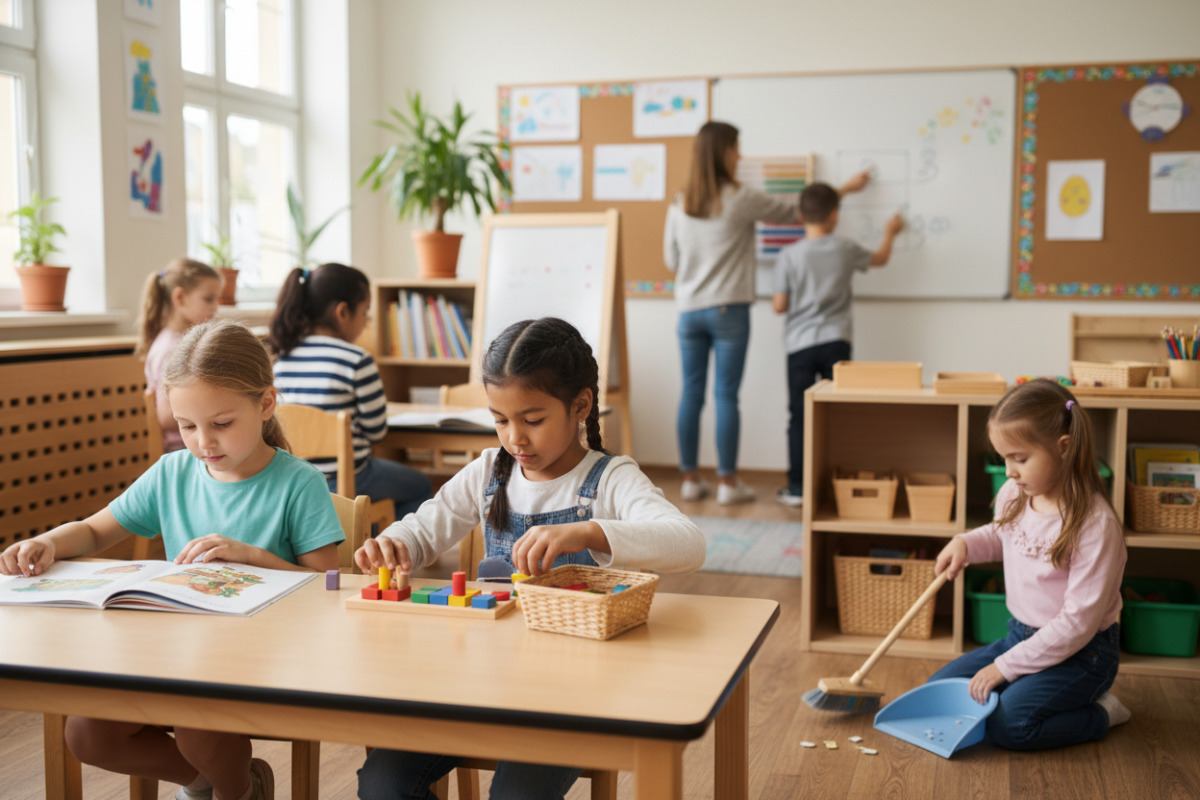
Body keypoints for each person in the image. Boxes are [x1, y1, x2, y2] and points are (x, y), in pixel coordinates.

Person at [354, 317, 706, 800]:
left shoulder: (610, 479)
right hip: (480, 684)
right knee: (381, 782)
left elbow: (688, 543)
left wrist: (589, 530)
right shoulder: (488, 471)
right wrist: (396, 543)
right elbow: (424, 526)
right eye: (500, 420)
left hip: (572, 699)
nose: (515, 438)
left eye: (533, 420)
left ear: (580, 405)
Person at [1, 319, 345, 800]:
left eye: (221, 424)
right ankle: (207, 780)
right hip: (170, 654)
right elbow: (98, 529)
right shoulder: (173, 472)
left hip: (264, 659)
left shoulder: (298, 483)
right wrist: (51, 542)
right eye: (186, 426)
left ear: (265, 403)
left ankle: (236, 792)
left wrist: (254, 557)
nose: (203, 442)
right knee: (86, 734)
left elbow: (329, 584)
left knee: (196, 723)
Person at [665, 121, 870, 505]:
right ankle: (727, 484)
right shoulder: (739, 198)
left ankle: (691, 480)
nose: (740, 156)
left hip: (688, 309)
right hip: (728, 309)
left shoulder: (679, 202)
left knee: (690, 393)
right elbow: (798, 214)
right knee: (726, 395)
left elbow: (670, 258)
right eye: (736, 148)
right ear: (724, 152)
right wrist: (843, 190)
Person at [928, 379, 1129, 751]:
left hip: (1084, 655)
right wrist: (965, 543)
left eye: (1019, 459)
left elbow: (1077, 625)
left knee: (1009, 725)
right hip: (1020, 636)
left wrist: (1004, 668)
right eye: (1003, 458)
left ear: (1063, 448)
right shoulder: (1016, 493)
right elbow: (1001, 534)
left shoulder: (1095, 525)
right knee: (937, 693)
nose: (1009, 471)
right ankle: (1024, 683)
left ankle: (1101, 713)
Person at [772, 180, 904, 506]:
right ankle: (835, 485)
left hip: (799, 346)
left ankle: (797, 487)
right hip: (836, 343)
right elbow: (880, 259)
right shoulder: (845, 249)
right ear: (834, 216)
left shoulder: (788, 255)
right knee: (835, 414)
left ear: (801, 215)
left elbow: (779, 305)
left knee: (799, 416)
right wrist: (891, 231)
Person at [270, 262, 432, 518]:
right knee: (420, 485)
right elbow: (376, 431)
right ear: (343, 312)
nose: (366, 323)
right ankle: (384, 552)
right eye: (365, 313)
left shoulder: (282, 358)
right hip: (346, 478)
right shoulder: (356, 359)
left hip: (293, 478)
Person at [135, 257, 222, 453]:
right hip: (184, 448)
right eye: (208, 299)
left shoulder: (185, 341)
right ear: (180, 298)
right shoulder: (170, 349)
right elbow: (166, 417)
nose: (215, 306)